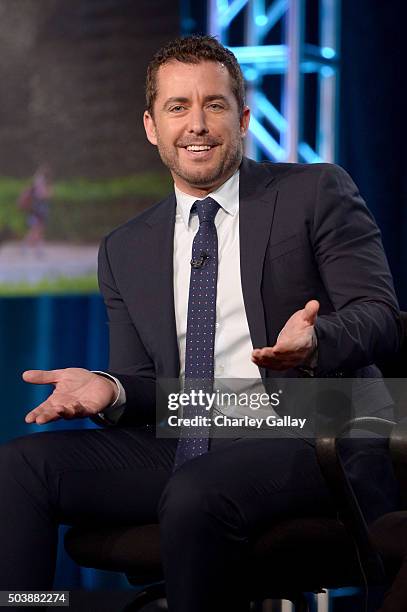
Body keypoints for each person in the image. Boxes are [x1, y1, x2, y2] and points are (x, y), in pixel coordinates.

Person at [0, 36, 402, 611]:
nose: (197, 125)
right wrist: (110, 389)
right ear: (150, 126)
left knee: (195, 491)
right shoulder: (125, 247)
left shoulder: (313, 192)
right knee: (18, 468)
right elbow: (145, 389)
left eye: (214, 105)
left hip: (311, 427)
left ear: (241, 118)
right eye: (177, 107)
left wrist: (316, 342)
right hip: (191, 431)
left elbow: (381, 318)